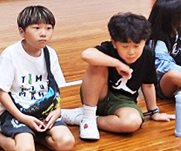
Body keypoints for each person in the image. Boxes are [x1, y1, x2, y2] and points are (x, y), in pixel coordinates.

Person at [0, 6, 74, 151]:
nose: (43, 33)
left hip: (43, 112)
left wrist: (57, 111)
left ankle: (34, 135)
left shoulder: (50, 54)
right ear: (22, 32)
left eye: (48, 28)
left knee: (66, 143)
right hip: (16, 113)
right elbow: (1, 92)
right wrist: (23, 118)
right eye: (36, 28)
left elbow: (54, 88)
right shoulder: (10, 55)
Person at [61, 12, 174, 141]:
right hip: (98, 95)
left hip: (123, 102)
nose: (131, 52)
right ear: (114, 43)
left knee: (132, 122)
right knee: (97, 62)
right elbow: (86, 55)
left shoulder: (147, 54)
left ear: (145, 42)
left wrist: (154, 112)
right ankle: (88, 118)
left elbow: (148, 85)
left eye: (137, 46)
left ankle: (85, 118)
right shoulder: (108, 49)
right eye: (125, 46)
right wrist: (117, 64)